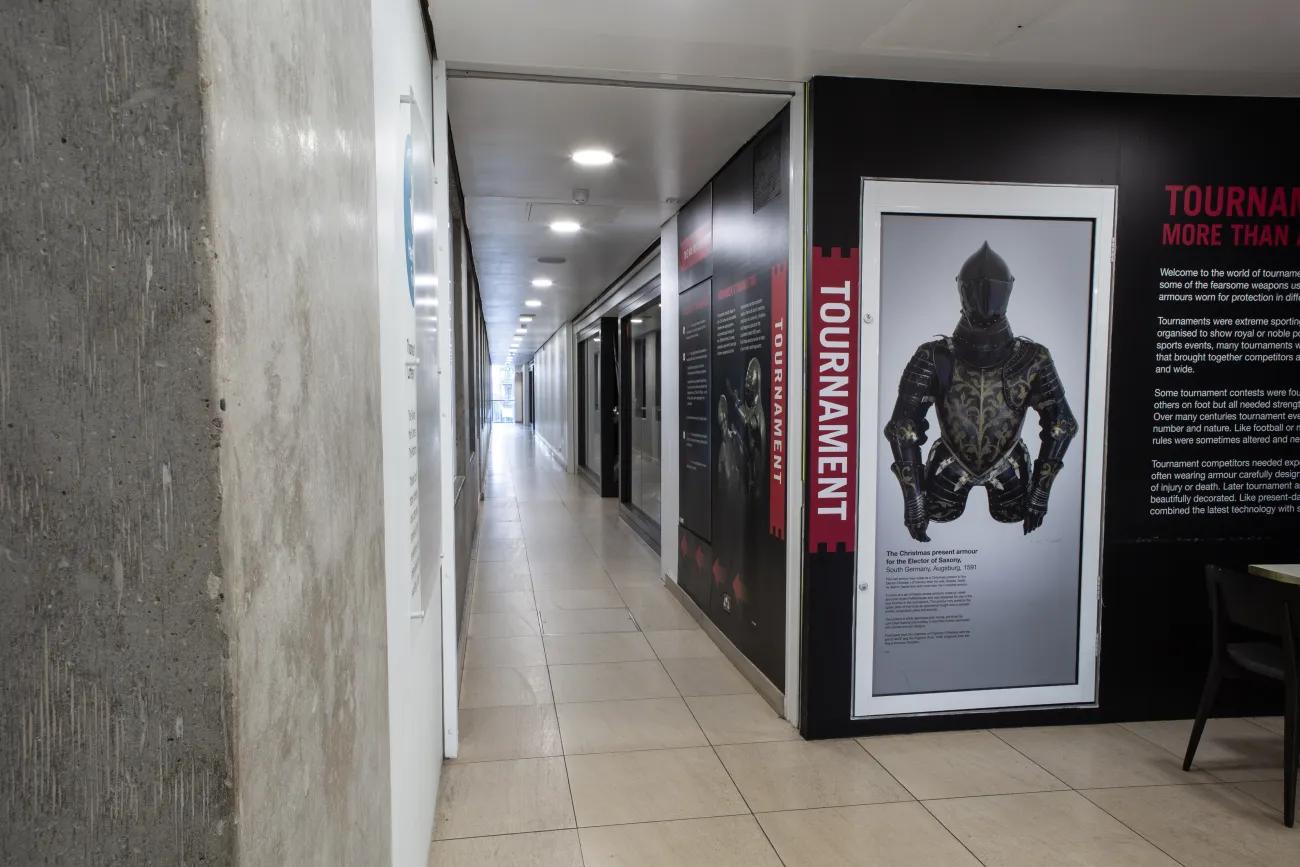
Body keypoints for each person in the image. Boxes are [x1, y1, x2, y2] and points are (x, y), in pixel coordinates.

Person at [883, 242, 1078, 543]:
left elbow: (1061, 424)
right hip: (947, 467)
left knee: (1011, 514)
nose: (986, 299)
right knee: (942, 510)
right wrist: (915, 501)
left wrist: (1039, 493)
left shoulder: (1033, 358)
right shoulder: (934, 356)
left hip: (1010, 469)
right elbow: (902, 427)